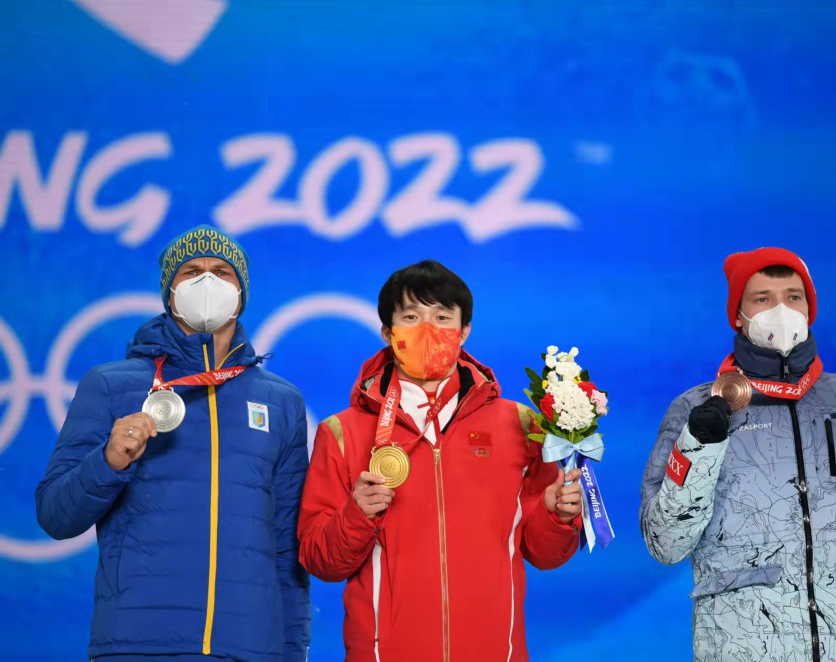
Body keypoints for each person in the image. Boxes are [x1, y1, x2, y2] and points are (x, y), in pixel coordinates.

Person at [639, 247, 836, 662]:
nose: (780, 310)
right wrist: (700, 445)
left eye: (793, 297)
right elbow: (666, 543)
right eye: (762, 299)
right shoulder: (696, 407)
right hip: (747, 644)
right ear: (738, 315)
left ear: (809, 310)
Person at [36, 225, 311, 661]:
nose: (208, 282)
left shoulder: (280, 401)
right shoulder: (110, 385)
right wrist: (108, 462)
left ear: (241, 292)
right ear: (169, 292)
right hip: (137, 644)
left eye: (222, 272)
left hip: (248, 648)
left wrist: (293, 651)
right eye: (191, 272)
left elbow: (286, 547)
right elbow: (54, 515)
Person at [298, 259, 583, 661]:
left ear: (464, 331)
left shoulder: (519, 425)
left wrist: (556, 516)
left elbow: (544, 552)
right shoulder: (343, 433)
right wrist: (356, 515)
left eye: (443, 317)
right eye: (411, 317)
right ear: (387, 332)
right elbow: (319, 559)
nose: (428, 329)